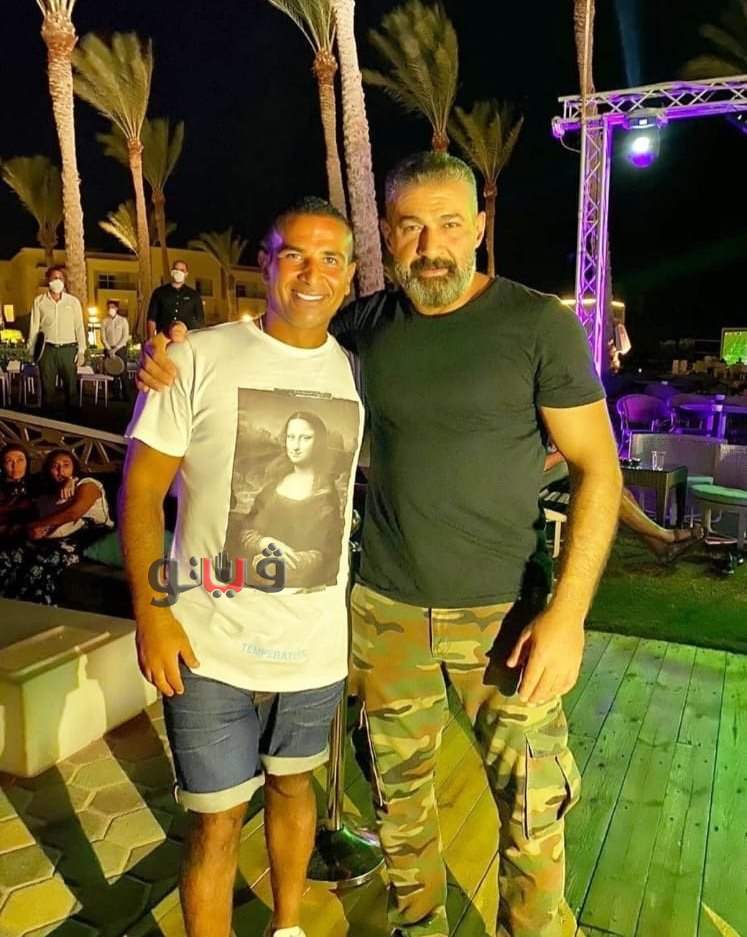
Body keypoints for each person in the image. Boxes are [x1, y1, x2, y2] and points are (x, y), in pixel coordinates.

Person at [137, 154, 622, 937]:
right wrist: (166, 357)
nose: (430, 246)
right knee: (401, 815)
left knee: (533, 810)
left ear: (479, 228)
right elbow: (281, 336)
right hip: (386, 616)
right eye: (410, 226)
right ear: (387, 236)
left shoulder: (537, 325)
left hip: (504, 618)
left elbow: (599, 467)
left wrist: (566, 617)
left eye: (449, 224)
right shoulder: (364, 327)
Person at [121, 197, 362, 937]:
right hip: (206, 641)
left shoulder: (358, 369)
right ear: (266, 263)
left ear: (351, 274)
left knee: (293, 788)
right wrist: (153, 615)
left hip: (312, 641)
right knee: (216, 819)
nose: (312, 273)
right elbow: (140, 492)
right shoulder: (195, 358)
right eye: (295, 254)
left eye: (330, 258)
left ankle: (287, 925)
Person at [234, 411, 345, 589]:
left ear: (318, 442)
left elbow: (328, 551)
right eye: (291, 437)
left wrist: (294, 562)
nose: (296, 446)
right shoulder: (273, 487)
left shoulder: (325, 494)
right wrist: (264, 543)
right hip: (257, 581)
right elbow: (246, 532)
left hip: (301, 587)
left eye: (305, 438)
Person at [0, 448, 112, 605]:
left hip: (86, 536)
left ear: (74, 467)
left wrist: (37, 525)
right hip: (52, 538)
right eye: (55, 466)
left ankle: (40, 608)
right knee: (10, 555)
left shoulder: (87, 484)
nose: (61, 470)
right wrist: (32, 530)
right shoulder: (45, 497)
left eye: (66, 465)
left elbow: (74, 512)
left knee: (41, 565)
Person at [27, 266, 87, 412]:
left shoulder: (73, 302)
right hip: (47, 350)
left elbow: (79, 326)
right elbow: (34, 327)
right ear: (48, 280)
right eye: (54, 277)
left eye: (60, 278)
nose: (57, 280)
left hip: (68, 350)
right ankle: (49, 420)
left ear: (64, 281)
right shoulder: (39, 301)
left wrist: (81, 351)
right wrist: (32, 350)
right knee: (47, 390)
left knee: (71, 388)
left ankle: (72, 420)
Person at [146, 259, 205, 339]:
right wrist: (151, 339)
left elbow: (200, 321)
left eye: (182, 270)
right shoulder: (159, 292)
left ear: (186, 274)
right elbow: (151, 319)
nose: (178, 272)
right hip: (164, 337)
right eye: (176, 269)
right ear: (172, 272)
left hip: (187, 338)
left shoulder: (194, 295)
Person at [101, 299, 132, 401]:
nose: (111, 309)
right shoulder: (104, 321)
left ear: (117, 308)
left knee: (123, 372)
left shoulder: (123, 321)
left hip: (120, 349)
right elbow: (103, 337)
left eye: (113, 307)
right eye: (109, 307)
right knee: (111, 371)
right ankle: (115, 395)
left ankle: (127, 395)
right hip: (109, 348)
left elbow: (125, 337)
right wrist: (109, 349)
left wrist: (116, 349)